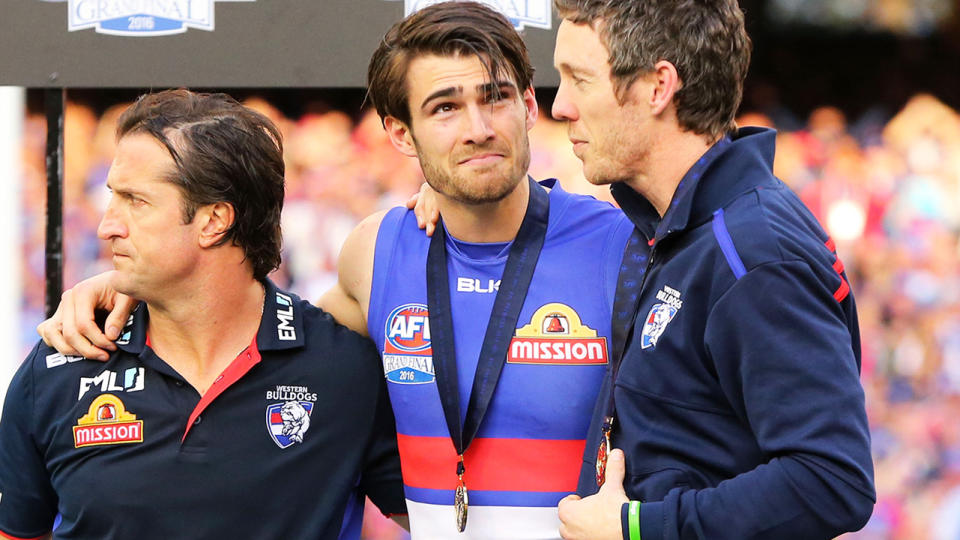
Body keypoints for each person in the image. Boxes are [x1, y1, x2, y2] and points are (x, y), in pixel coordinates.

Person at [35, 3, 634, 538]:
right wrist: (128, 286)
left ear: (530, 105)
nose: (478, 128)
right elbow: (261, 329)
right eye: (445, 108)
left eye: (496, 97)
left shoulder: (622, 245)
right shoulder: (376, 253)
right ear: (401, 133)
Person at [1, 89, 405, 539]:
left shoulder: (345, 369)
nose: (106, 225)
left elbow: (446, 519)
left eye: (135, 200)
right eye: (113, 196)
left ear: (215, 221)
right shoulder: (60, 363)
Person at [547, 2, 875, 540]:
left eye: (579, 80)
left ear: (658, 87)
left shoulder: (753, 251)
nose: (559, 106)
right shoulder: (675, 225)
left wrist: (637, 527)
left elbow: (832, 480)